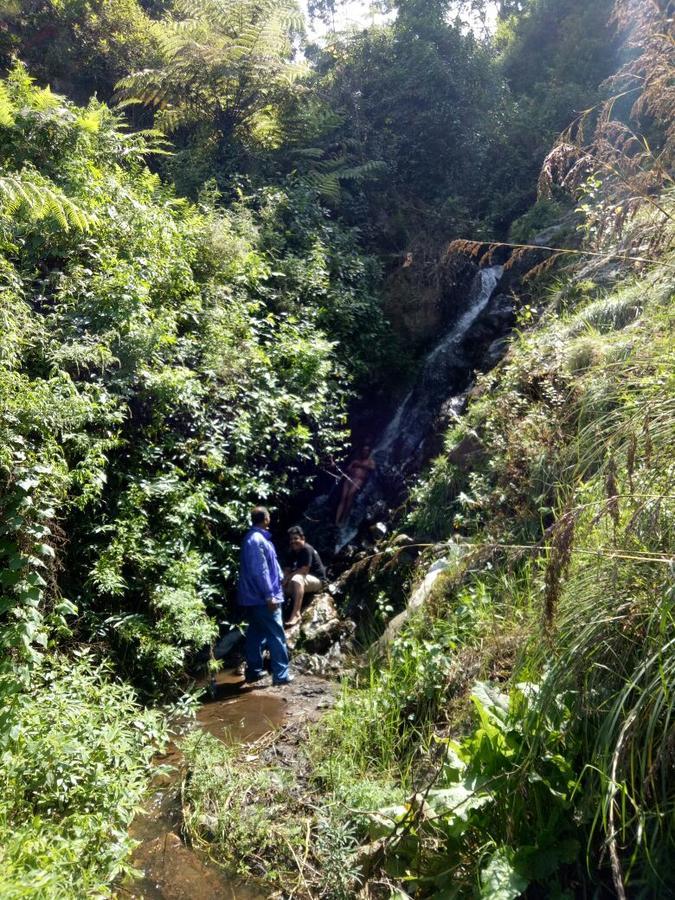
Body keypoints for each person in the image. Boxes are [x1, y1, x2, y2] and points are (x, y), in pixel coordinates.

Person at [237, 506, 292, 686]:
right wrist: (270, 595)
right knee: (276, 635)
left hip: (253, 597)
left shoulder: (253, 538)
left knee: (255, 633)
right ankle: (281, 675)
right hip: (262, 597)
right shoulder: (257, 540)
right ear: (266, 519)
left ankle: (254, 672)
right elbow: (261, 571)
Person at [283, 526, 326, 627]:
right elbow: (287, 569)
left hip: (318, 581)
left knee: (297, 578)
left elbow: (304, 570)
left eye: (296, 538)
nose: (293, 541)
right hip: (302, 581)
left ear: (303, 539)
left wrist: (288, 578)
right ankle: (279, 616)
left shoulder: (307, 549)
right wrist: (284, 579)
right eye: (291, 539)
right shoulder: (291, 551)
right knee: (279, 585)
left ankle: (296, 614)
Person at [335, 445, 376, 526]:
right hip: (349, 479)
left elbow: (372, 468)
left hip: (359, 480)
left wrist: (360, 465)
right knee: (343, 498)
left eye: (367, 450)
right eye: (364, 450)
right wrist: (352, 468)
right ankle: (336, 520)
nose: (365, 452)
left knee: (350, 496)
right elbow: (348, 469)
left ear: (369, 452)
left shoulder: (370, 461)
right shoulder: (356, 460)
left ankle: (343, 520)